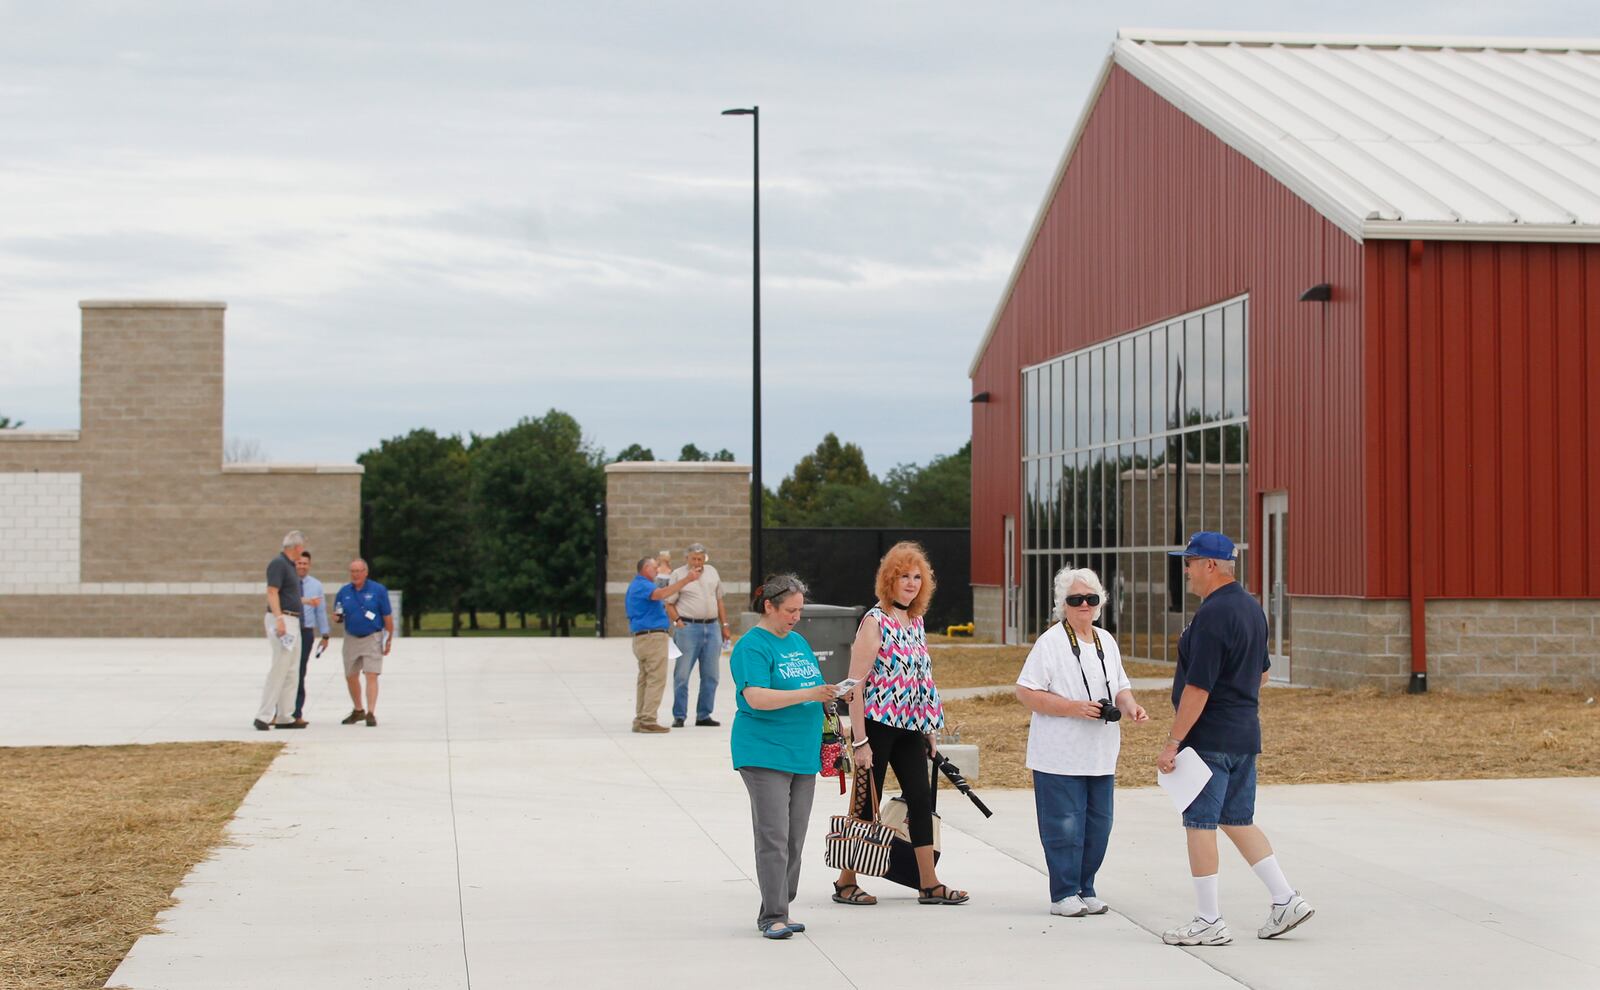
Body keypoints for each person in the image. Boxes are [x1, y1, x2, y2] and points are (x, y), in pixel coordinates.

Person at [1157, 531, 1314, 946]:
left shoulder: (1212, 615)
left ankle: (1209, 920)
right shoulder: (1251, 609)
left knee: (1200, 822)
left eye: (1189, 563)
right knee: (1235, 818)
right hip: (1244, 733)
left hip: (1208, 737)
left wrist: (1174, 741)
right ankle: (1285, 899)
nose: (1185, 571)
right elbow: (1261, 672)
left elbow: (1198, 688)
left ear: (1210, 565)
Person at [833, 541, 967, 907]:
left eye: (917, 577)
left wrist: (930, 731)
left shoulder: (915, 621)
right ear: (889, 581)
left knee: (920, 800)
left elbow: (922, 681)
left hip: (910, 727)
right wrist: (859, 742)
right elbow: (853, 687)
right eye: (904, 576)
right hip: (875, 728)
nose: (911, 583)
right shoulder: (875, 623)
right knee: (865, 806)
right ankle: (846, 881)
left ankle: (929, 882)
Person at [1016, 566, 1148, 917]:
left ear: (1100, 602)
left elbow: (1120, 687)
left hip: (1100, 754)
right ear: (1063, 605)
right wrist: (1073, 708)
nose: (1084, 606)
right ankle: (1063, 893)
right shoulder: (1051, 642)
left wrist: (1130, 706)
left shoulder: (1106, 641)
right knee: (1064, 826)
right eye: (1076, 600)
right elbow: (1025, 692)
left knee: (1098, 825)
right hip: (1058, 754)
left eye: (1091, 599)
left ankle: (1085, 886)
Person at [730, 574, 840, 939]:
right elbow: (757, 698)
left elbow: (811, 686)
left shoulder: (798, 642)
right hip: (764, 752)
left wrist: (830, 695)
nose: (796, 617)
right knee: (773, 834)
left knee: (794, 836)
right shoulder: (752, 646)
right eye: (790, 610)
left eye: (800, 610)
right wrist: (810, 693)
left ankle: (783, 905)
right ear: (769, 606)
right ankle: (772, 914)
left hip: (802, 751)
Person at [625, 555, 702, 733]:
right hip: (652, 638)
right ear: (645, 569)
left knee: (645, 679)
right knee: (655, 679)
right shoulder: (644, 585)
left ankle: (641, 717)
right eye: (654, 567)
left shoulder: (637, 585)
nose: (657, 570)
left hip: (643, 638)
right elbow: (661, 594)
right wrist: (687, 579)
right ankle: (648, 720)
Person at [665, 542, 731, 727]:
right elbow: (669, 603)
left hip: (712, 628)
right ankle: (679, 715)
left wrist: (724, 625)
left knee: (711, 675)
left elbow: (719, 600)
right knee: (682, 674)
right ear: (687, 558)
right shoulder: (678, 574)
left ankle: (704, 714)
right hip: (688, 628)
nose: (697, 562)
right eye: (693, 558)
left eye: (700, 559)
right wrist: (677, 621)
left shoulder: (712, 572)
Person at [254, 530, 309, 731]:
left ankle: (286, 715)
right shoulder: (278, 564)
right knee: (279, 667)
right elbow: (272, 591)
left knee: (292, 670)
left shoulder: (290, 566)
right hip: (283, 618)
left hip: (293, 619)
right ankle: (264, 715)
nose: (302, 551)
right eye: (302, 547)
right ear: (296, 547)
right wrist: (279, 619)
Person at [332, 559, 393, 728]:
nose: (356, 574)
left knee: (371, 674)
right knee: (351, 675)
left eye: (359, 571)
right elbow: (337, 613)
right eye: (353, 571)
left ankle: (371, 712)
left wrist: (389, 638)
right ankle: (358, 709)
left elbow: (387, 616)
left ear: (366, 572)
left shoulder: (378, 590)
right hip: (351, 637)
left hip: (372, 636)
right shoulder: (344, 592)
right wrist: (337, 618)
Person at [292, 550, 331, 724]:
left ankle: (297, 712)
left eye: (304, 563)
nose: (301, 566)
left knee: (300, 671)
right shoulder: (287, 583)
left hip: (306, 631)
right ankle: (279, 711)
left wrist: (325, 635)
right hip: (290, 631)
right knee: (285, 671)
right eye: (299, 563)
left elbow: (320, 611)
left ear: (309, 565)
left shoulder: (316, 585)